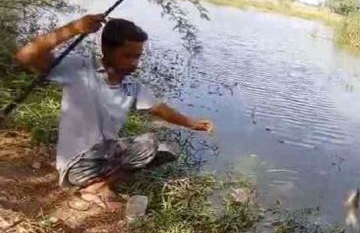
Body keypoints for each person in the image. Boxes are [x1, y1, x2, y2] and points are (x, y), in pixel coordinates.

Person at [15, 14, 214, 211]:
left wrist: (193, 123)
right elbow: (26, 55)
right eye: (127, 56)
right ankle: (93, 188)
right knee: (148, 142)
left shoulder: (131, 86)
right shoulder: (79, 69)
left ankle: (100, 185)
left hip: (104, 156)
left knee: (168, 149)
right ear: (107, 50)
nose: (135, 63)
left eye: (137, 56)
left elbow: (160, 109)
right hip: (77, 165)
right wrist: (73, 28)